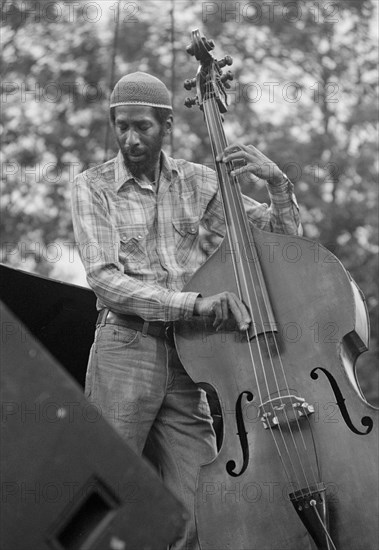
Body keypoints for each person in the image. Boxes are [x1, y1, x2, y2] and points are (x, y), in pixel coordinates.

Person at [71, 72, 302, 549]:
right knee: (102, 495)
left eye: (143, 127)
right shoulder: (90, 187)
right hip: (123, 350)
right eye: (122, 127)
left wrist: (278, 184)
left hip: (186, 357)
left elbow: (277, 243)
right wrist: (194, 305)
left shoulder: (200, 182)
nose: (131, 139)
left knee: (204, 507)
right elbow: (105, 280)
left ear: (168, 124)